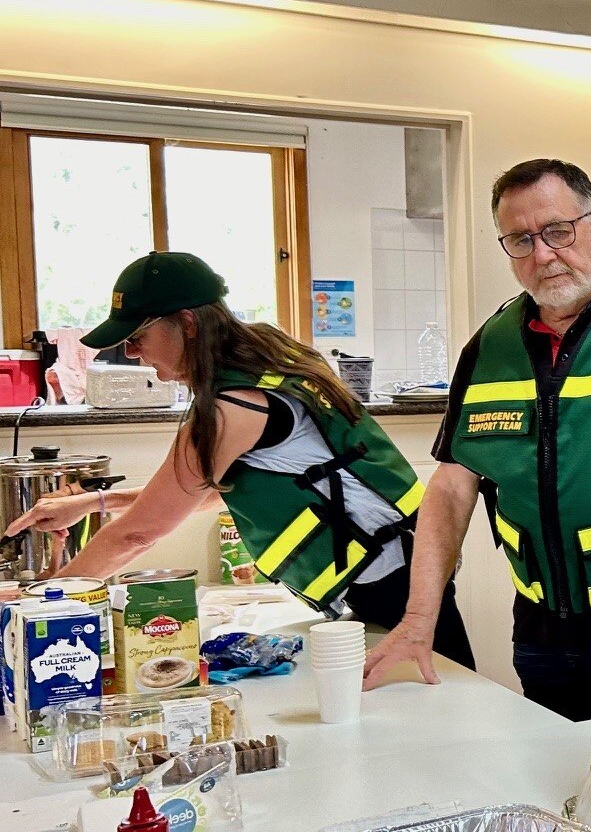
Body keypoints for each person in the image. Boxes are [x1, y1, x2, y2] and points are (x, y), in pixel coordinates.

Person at [362, 160, 591, 750]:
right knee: (559, 806)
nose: (543, 255)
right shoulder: (490, 346)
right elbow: (451, 487)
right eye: (521, 240)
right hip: (542, 641)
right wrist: (419, 621)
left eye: (558, 231)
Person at [6, 251, 472, 660]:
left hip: (390, 578)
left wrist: (46, 602)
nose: (133, 353)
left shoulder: (232, 408)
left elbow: (140, 533)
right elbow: (207, 494)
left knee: (448, 697)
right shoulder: (271, 365)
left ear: (187, 323)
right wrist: (90, 502)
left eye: (137, 338)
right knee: (441, 698)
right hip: (403, 559)